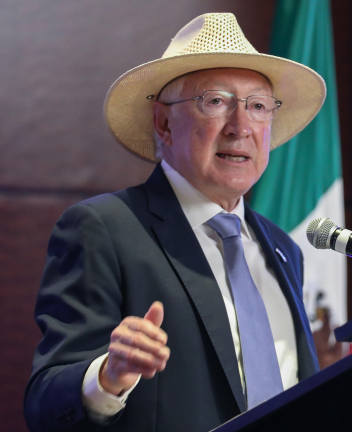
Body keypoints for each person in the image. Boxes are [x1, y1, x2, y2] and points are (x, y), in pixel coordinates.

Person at [24, 13, 327, 432]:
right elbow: (45, 404)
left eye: (257, 106)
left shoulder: (283, 248)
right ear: (164, 123)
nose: (240, 127)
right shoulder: (105, 229)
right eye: (216, 102)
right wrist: (107, 378)